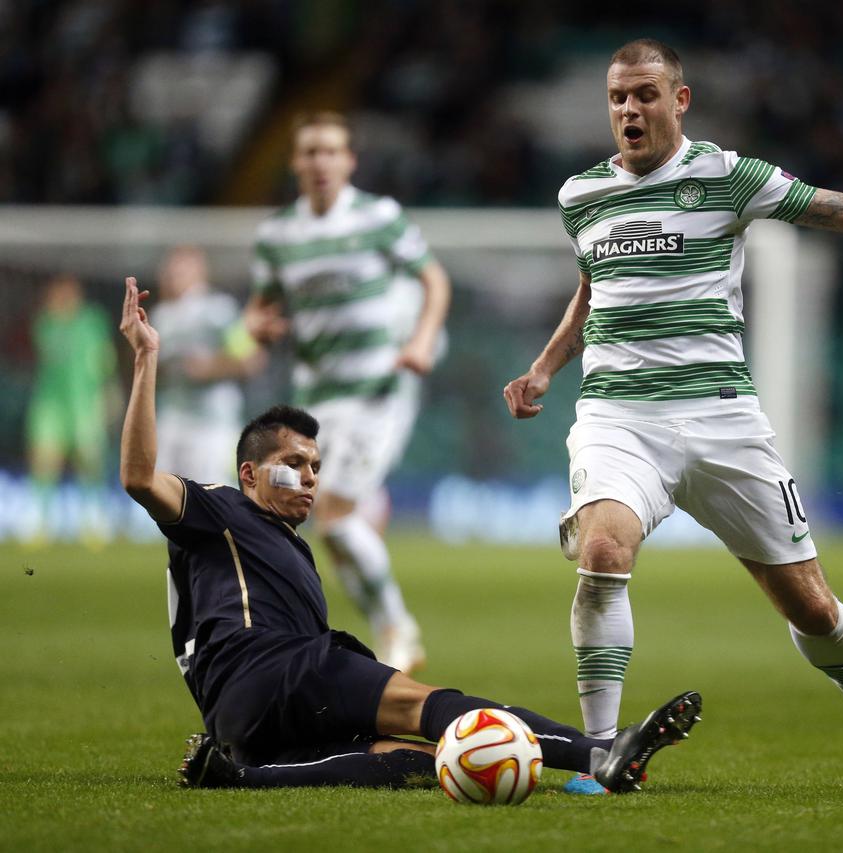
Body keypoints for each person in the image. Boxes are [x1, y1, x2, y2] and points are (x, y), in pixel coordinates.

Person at [503, 38, 843, 793]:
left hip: (723, 420)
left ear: (679, 100)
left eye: (646, 94)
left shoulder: (729, 176)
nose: (629, 109)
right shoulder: (580, 196)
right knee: (601, 552)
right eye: (619, 97)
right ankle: (600, 753)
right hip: (619, 416)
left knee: (812, 607)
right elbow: (596, 289)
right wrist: (544, 367)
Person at [118, 276, 699, 791]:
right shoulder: (220, 509)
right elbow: (140, 477)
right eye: (294, 463)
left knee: (419, 762)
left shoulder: (277, 545)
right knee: (434, 707)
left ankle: (240, 775)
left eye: (316, 467)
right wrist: (147, 360)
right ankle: (597, 752)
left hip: (239, 717)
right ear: (249, 473)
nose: (310, 478)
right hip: (274, 669)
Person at [244, 112, 452, 673]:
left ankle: (396, 632)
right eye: (309, 152)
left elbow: (435, 280)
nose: (320, 162)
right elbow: (259, 310)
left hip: (379, 389)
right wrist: (257, 327)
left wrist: (424, 340)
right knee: (330, 530)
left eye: (330, 151)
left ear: (349, 161)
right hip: (317, 399)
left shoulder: (378, 217)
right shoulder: (277, 236)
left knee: (333, 515)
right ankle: (392, 628)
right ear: (295, 163)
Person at [150, 246, 263, 484]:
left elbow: (251, 359)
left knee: (212, 497)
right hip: (172, 417)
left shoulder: (219, 311)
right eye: (170, 269)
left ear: (199, 272)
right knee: (165, 495)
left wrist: (210, 368)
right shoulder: (161, 316)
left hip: (212, 422)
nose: (173, 275)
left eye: (181, 269)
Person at [25, 273, 117, 545]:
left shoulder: (92, 322)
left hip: (84, 404)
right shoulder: (45, 323)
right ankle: (40, 519)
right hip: (51, 405)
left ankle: (94, 518)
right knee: (44, 460)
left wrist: (108, 395)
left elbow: (104, 362)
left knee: (89, 462)